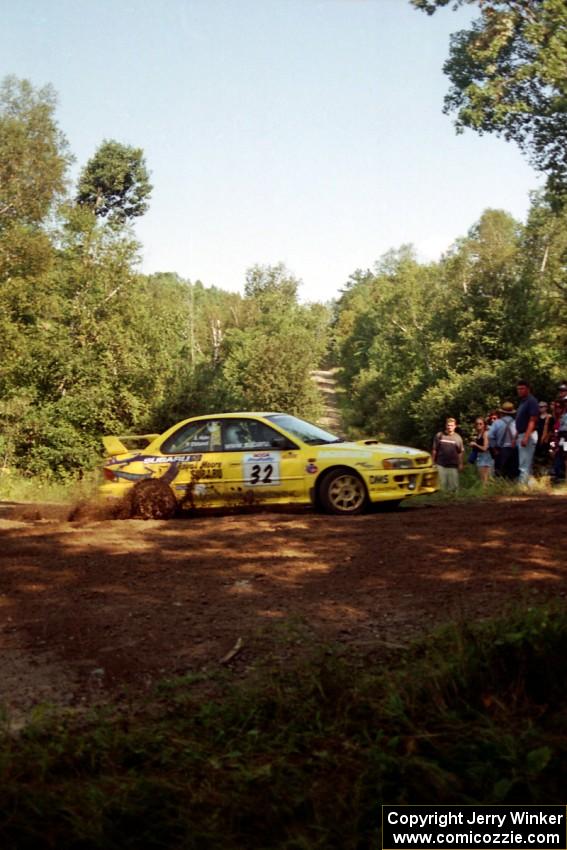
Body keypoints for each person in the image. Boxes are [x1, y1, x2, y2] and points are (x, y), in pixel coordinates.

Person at [515, 379, 540, 484]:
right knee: (526, 462)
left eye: (522, 388)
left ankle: (522, 485)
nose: (520, 391)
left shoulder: (531, 401)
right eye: (518, 389)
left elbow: (532, 420)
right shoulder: (523, 402)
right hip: (521, 434)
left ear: (528, 389)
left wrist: (526, 436)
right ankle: (530, 486)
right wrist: (515, 436)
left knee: (524, 462)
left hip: (528, 434)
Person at [432, 417, 464, 491]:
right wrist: (433, 462)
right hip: (440, 464)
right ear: (445, 425)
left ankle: (453, 500)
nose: (450, 427)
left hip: (453, 465)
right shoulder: (439, 435)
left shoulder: (458, 438)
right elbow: (434, 450)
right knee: (441, 485)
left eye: (452, 425)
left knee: (453, 487)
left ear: (455, 426)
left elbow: (460, 452)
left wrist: (461, 464)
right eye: (448, 425)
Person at [489, 402, 518, 480]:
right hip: (514, 450)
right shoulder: (516, 423)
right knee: (512, 474)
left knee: (500, 473)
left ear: (502, 413)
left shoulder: (496, 423)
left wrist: (494, 449)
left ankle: (501, 489)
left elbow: (490, 436)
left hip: (501, 451)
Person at [469, 416, 494, 485]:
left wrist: (475, 444)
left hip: (486, 457)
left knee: (485, 480)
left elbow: (485, 448)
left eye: (480, 424)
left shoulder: (485, 433)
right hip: (480, 457)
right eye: (477, 424)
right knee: (482, 479)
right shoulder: (478, 434)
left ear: (484, 425)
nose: (478, 425)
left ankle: (487, 493)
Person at [534, 400, 553, 470]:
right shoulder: (537, 417)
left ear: (546, 407)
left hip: (546, 439)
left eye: (542, 407)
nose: (540, 408)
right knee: (537, 455)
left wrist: (547, 438)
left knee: (545, 455)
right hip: (537, 438)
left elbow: (551, 430)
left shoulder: (549, 417)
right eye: (539, 407)